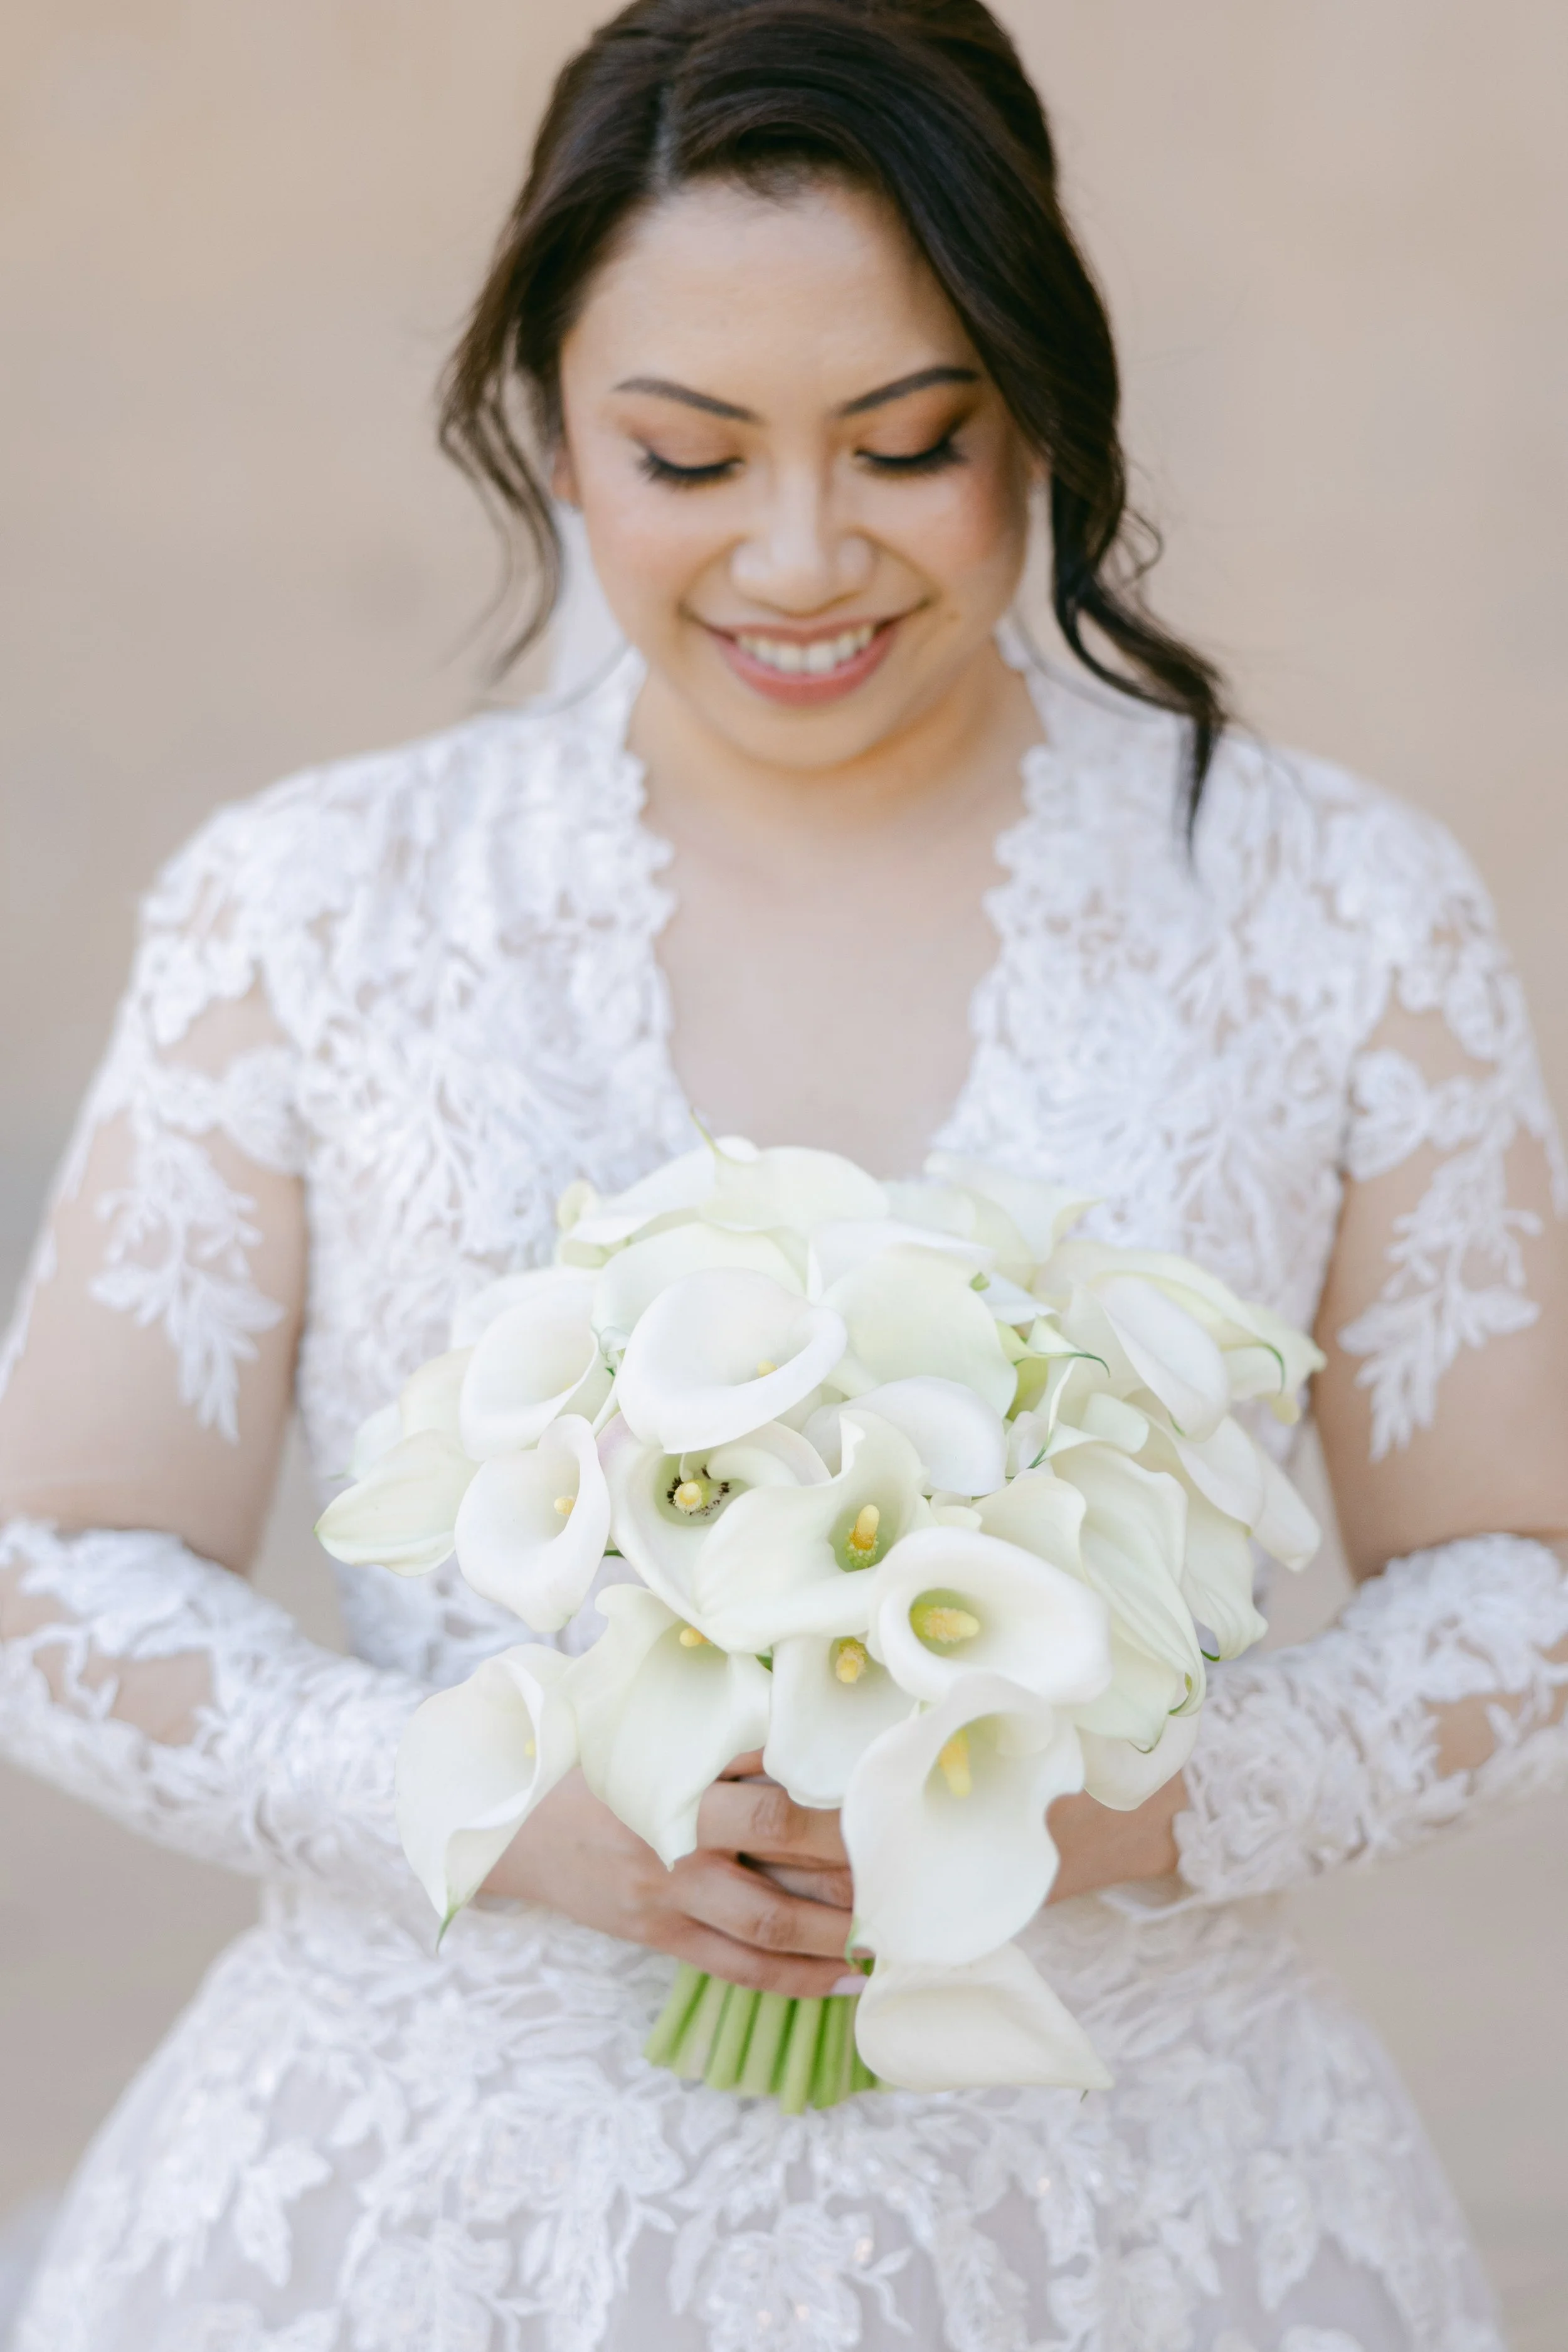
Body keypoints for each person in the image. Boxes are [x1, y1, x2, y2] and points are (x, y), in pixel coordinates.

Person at [3, 2, 1565, 2344]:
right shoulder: (319, 903)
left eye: (908, 442)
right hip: (438, 2225)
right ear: (551, 431)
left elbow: (1520, 1588)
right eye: (687, 455)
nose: (801, 555)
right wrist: (485, 1797)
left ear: (1033, 405)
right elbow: (51, 1566)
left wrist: (1111, 1797)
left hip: (1130, 2214)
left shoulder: (1332, 904)